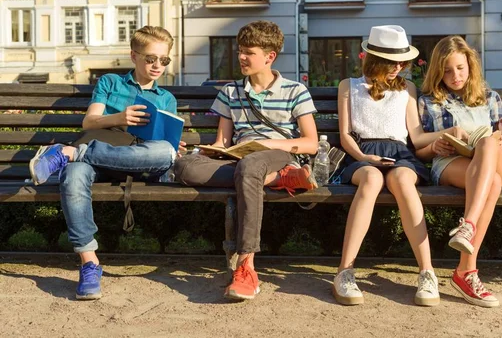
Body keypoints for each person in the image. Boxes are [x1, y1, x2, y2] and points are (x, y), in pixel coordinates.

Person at [29, 26, 186, 300]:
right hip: (103, 153)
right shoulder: (110, 83)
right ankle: (90, 264)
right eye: (150, 58)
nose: (157, 65)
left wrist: (173, 145)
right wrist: (120, 118)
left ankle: (69, 152)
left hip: (139, 160)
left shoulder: (166, 98)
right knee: (74, 175)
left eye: (164, 60)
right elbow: (89, 122)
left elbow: (165, 145)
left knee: (165, 153)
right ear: (134, 56)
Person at [173, 20, 319, 301]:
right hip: (240, 160)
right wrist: (211, 151)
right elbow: (223, 141)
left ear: (269, 56)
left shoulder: (294, 91)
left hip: (277, 154)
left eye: (248, 52)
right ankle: (283, 180)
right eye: (240, 50)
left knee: (250, 166)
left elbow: (310, 143)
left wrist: (266, 143)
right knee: (184, 166)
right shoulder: (231, 92)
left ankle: (246, 265)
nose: (241, 57)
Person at [333, 25, 459, 307]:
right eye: (393, 62)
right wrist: (365, 159)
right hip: (362, 153)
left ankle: (427, 272)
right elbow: (344, 135)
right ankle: (345, 272)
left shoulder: (407, 88)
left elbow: (415, 136)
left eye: (403, 62)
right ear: (374, 58)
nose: (399, 67)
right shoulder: (349, 86)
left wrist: (451, 133)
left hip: (401, 154)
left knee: (403, 181)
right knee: (372, 180)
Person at [417, 35, 502, 308]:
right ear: (437, 71)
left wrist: (495, 142)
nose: (454, 75)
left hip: (494, 160)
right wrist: (436, 145)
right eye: (446, 70)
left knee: (488, 143)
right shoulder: (429, 102)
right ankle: (466, 272)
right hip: (452, 164)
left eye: (460, 68)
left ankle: (466, 226)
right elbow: (419, 151)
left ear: (470, 66)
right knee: (489, 181)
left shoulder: (490, 97)